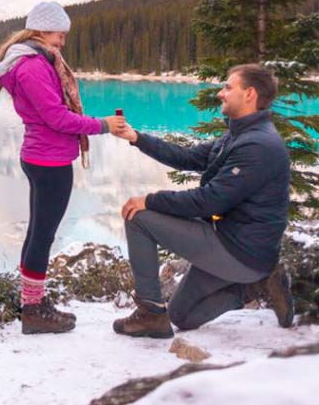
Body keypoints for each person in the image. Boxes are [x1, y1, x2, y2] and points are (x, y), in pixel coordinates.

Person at [109, 64, 294, 338]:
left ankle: (149, 313)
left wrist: (149, 200)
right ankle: (255, 288)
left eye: (229, 87)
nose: (221, 93)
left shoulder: (258, 145)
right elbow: (187, 158)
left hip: (240, 250)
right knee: (181, 316)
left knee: (139, 217)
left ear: (249, 94)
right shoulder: (238, 135)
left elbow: (209, 202)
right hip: (234, 244)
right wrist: (137, 138)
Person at [0, 1, 128, 334]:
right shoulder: (33, 66)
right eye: (59, 35)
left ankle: (32, 302)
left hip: (43, 157)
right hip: (48, 161)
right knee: (42, 235)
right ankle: (34, 311)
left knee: (39, 231)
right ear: (40, 30)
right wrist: (104, 125)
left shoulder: (34, 60)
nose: (62, 42)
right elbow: (57, 118)